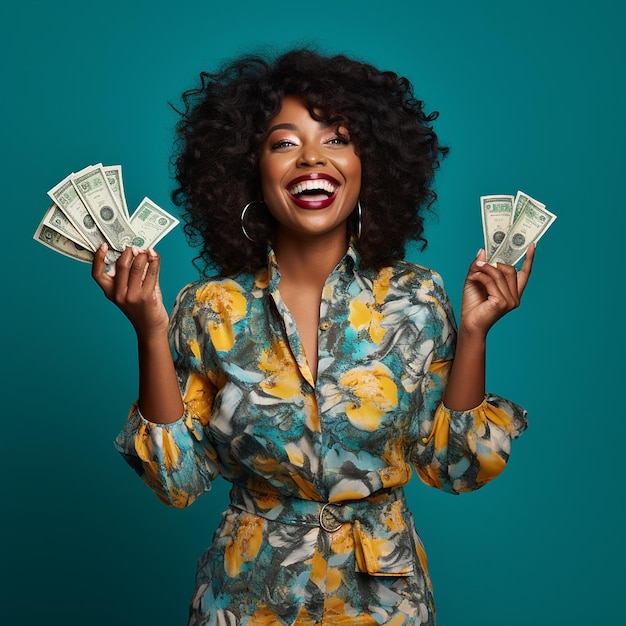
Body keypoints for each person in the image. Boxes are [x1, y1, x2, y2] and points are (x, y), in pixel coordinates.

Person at [92, 48, 534, 626]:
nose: (310, 159)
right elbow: (176, 480)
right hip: (247, 600)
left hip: (385, 603)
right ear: (250, 168)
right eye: (283, 143)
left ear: (369, 164)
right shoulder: (208, 309)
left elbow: (456, 467)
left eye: (337, 138)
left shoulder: (418, 299)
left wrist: (475, 333)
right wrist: (149, 330)